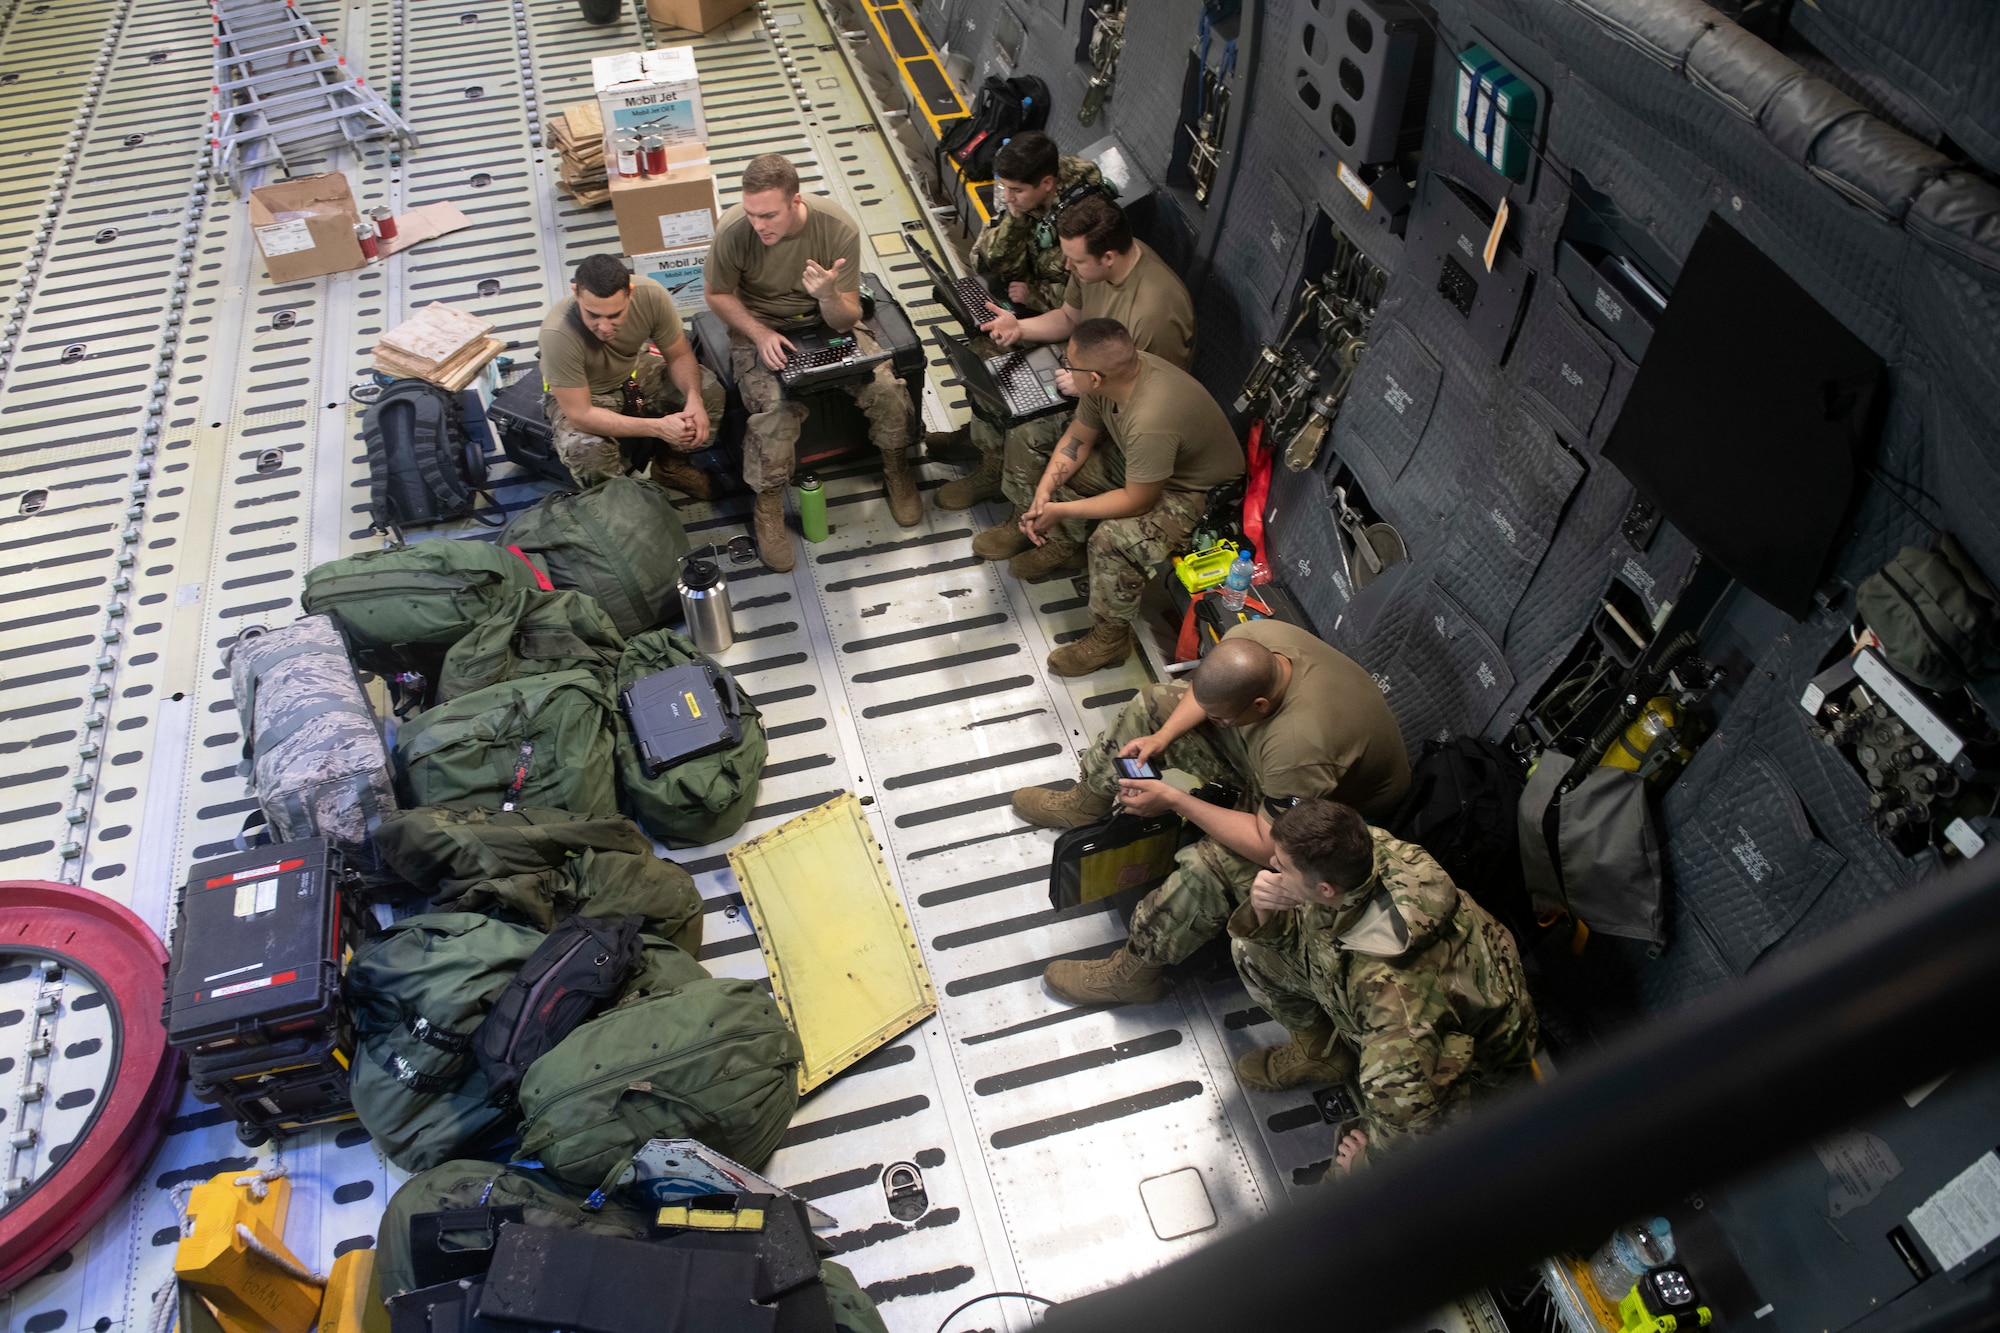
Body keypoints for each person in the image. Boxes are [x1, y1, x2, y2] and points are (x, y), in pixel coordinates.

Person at [1015, 621, 1412, 1001]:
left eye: (1224, 719)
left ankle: (1134, 973)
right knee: (1154, 704)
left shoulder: (1299, 749)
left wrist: (1174, 798)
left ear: (1259, 705)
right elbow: (1205, 696)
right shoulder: (1252, 641)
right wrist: (1161, 736)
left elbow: (1268, 844)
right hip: (1280, 772)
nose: (1217, 723)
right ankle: (1086, 802)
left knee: (1211, 865)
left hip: (1333, 821)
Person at [1230, 798, 1538, 1172]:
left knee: (1359, 1180)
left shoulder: (1394, 1011)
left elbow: (1416, 1125)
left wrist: (1361, 1163)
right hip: (1428, 1007)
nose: (1273, 866)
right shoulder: (1368, 846)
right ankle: (1321, 1053)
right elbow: (1319, 932)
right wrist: (1265, 908)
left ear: (1326, 889)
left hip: (1473, 1076)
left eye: (1282, 865)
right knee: (1250, 949)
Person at [974, 318, 1242, 675]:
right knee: (1075, 475)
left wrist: (1061, 509)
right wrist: (1045, 490)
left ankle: (1110, 640)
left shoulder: (1150, 419)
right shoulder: (1112, 379)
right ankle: (1066, 545)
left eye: (1070, 365)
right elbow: (1078, 439)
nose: (1064, 370)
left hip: (1193, 489)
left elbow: (1138, 501)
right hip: (1147, 462)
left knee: (1112, 541)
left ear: (1096, 378)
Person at [704, 153, 918, 572]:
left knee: (887, 389)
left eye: (768, 215)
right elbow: (717, 294)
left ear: (795, 201)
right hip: (759, 327)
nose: (758, 225)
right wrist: (760, 333)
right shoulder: (734, 231)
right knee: (774, 413)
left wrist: (827, 296)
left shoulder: (837, 228)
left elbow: (848, 316)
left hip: (823, 321)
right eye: (751, 214)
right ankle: (767, 504)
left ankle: (897, 466)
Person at [940, 193, 1194, 513]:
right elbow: (1068, 318)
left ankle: (1028, 511)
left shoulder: (1154, 315)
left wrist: (1084, 384)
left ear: (1109, 257)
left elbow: (1144, 396)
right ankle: (992, 461)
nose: (1066, 265)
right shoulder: (1093, 263)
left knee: (1030, 425)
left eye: (1076, 261)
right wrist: (1020, 328)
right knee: (992, 361)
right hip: (1087, 363)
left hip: (1122, 398)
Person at [925, 132, 1110, 464]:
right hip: (1041, 303)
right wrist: (1016, 214)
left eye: (1016, 191)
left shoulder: (1084, 220)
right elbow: (988, 258)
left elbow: (1084, 297)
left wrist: (1033, 295)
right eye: (1003, 188)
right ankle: (984, 438)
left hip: (1070, 326)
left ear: (1047, 182)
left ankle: (991, 459)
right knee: (980, 331)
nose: (1007, 196)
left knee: (988, 352)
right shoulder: (1028, 194)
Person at [538, 252, 726, 497]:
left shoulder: (652, 296)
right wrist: (658, 428)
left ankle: (670, 466)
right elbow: (580, 414)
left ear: (631, 293)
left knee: (709, 391)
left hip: (630, 373)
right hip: (584, 394)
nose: (604, 327)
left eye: (615, 315)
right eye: (593, 315)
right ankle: (621, 504)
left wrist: (694, 400)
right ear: (576, 293)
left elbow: (679, 356)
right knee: (587, 453)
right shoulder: (557, 334)